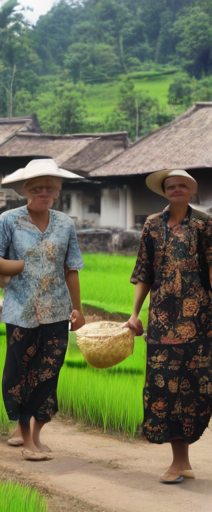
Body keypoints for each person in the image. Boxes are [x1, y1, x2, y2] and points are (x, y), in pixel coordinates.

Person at [0, 159, 85, 461]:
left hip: (57, 311)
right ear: (26, 190)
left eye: (50, 188)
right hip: (21, 312)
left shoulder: (65, 224)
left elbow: (71, 268)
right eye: (37, 187)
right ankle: (26, 438)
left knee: (48, 374)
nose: (44, 192)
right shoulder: (9, 220)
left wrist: (78, 309)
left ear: (58, 191)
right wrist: (9, 267)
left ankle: (36, 435)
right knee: (20, 374)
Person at [124, 169, 212, 484]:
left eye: (182, 186)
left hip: (199, 323)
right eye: (170, 186)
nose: (176, 189)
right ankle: (179, 462)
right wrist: (135, 314)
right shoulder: (152, 225)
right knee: (163, 387)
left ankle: (182, 461)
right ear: (165, 192)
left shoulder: (204, 224)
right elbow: (144, 272)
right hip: (161, 323)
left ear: (191, 191)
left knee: (193, 389)